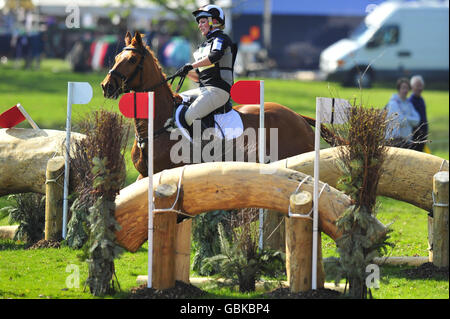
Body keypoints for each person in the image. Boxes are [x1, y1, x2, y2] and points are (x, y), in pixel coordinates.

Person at [175, 5, 237, 132]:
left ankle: (203, 149)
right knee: (176, 101)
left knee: (188, 117)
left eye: (203, 21)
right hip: (204, 90)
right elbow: (199, 77)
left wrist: (191, 65)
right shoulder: (202, 46)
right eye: (199, 22)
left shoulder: (221, 38)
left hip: (219, 90)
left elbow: (215, 56)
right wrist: (186, 72)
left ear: (214, 21)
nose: (199, 25)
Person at [385, 77, 421, 149]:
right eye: (403, 88)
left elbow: (417, 120)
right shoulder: (393, 103)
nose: (405, 90)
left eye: (407, 88)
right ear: (399, 89)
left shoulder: (409, 104)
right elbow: (400, 120)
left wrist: (405, 117)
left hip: (407, 141)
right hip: (394, 141)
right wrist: (409, 119)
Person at [408, 75, 429, 152]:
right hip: (414, 137)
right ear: (412, 87)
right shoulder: (410, 101)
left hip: (423, 136)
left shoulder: (421, 100)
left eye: (421, 86)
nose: (419, 88)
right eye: (417, 86)